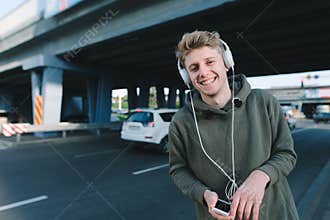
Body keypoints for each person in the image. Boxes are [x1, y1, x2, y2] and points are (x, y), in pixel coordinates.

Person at [168, 30, 299, 220]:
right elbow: (178, 170)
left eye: (210, 62)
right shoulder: (182, 122)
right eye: (194, 67)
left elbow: (287, 153)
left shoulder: (263, 102)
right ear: (187, 77)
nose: (203, 72)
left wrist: (261, 176)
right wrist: (202, 194)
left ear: (227, 63)